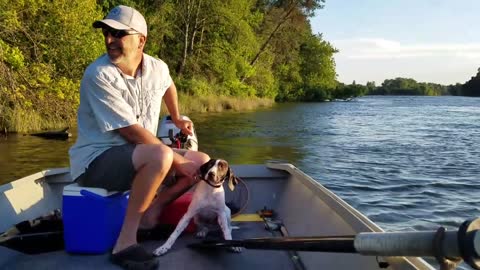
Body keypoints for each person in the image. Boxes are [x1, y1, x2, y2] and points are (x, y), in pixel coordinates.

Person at [68, 5, 210, 269]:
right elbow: (130, 132)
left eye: (118, 34)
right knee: (161, 155)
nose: (110, 40)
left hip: (138, 153)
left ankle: (153, 212)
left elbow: (168, 84)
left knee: (203, 162)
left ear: (141, 40)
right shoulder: (99, 75)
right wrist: (177, 162)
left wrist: (177, 117)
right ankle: (125, 244)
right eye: (107, 33)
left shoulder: (157, 67)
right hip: (95, 162)